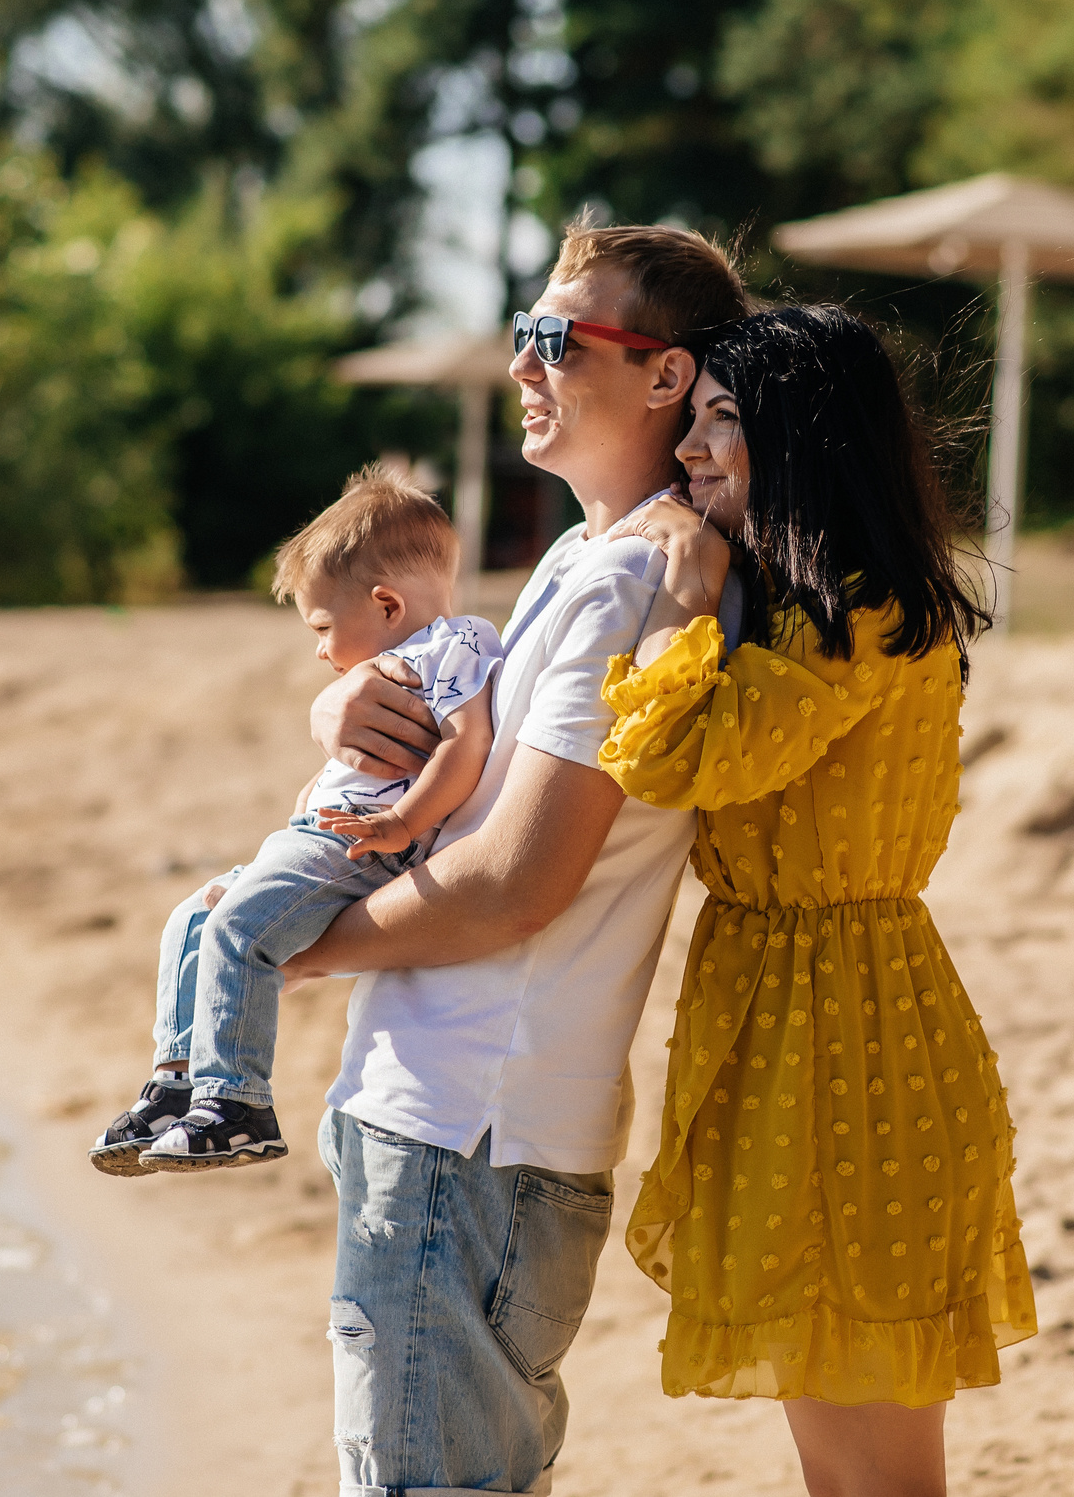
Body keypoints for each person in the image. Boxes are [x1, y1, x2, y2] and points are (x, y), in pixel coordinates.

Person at [283, 219, 755, 1497]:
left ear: (666, 375)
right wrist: (341, 702)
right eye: (520, 337)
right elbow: (445, 702)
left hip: (471, 1126)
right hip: (470, 1117)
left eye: (555, 338)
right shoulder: (586, 556)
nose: (522, 367)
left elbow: (518, 879)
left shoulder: (629, 583)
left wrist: (286, 946)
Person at [595, 305, 1038, 1497]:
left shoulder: (859, 617)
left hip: (849, 1048)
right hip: (805, 1027)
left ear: (804, 437)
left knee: (878, 1478)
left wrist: (686, 597)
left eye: (721, 423)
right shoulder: (818, 606)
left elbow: (673, 758)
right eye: (688, 425)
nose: (688, 453)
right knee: (845, 1468)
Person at [85, 468, 500, 1173]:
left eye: (324, 627)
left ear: (387, 604)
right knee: (192, 916)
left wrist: (400, 823)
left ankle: (238, 1102)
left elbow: (469, 743)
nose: (319, 649)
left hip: (364, 844)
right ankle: (178, 1078)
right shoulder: (395, 655)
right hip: (320, 834)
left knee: (238, 928)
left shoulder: (452, 645)